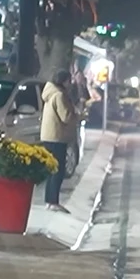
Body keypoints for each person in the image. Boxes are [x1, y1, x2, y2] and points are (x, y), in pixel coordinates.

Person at [40, 70, 79, 213]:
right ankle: (53, 201)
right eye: (69, 80)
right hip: (57, 137)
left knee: (52, 169)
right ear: (64, 81)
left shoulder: (50, 93)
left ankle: (49, 201)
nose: (70, 83)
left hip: (49, 136)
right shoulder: (60, 95)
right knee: (58, 170)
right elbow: (66, 117)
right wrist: (78, 115)